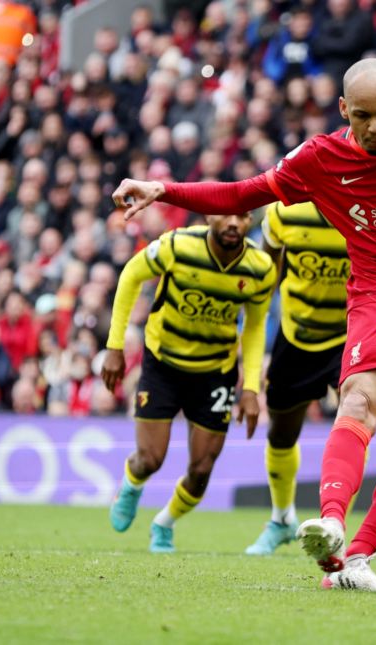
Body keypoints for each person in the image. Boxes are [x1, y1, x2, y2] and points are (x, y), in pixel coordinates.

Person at [111, 58, 376, 591]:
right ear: (344, 110)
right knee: (360, 403)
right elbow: (242, 194)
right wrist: (163, 190)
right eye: (362, 116)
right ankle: (332, 526)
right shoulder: (320, 158)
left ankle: (359, 559)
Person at [102, 213, 275, 553]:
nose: (233, 223)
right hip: (163, 364)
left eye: (241, 217)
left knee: (202, 468)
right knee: (150, 459)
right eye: (226, 215)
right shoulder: (177, 245)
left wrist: (251, 389)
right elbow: (131, 275)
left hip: (215, 371)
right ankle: (132, 484)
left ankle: (164, 523)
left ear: (250, 220)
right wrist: (115, 346)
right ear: (210, 215)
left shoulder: (260, 267)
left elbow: (255, 327)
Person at [244, 201, 349, 556]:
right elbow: (266, 269)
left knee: (357, 417)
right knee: (281, 432)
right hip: (296, 334)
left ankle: (337, 523)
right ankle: (281, 519)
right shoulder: (282, 213)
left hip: (352, 332)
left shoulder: (371, 204)